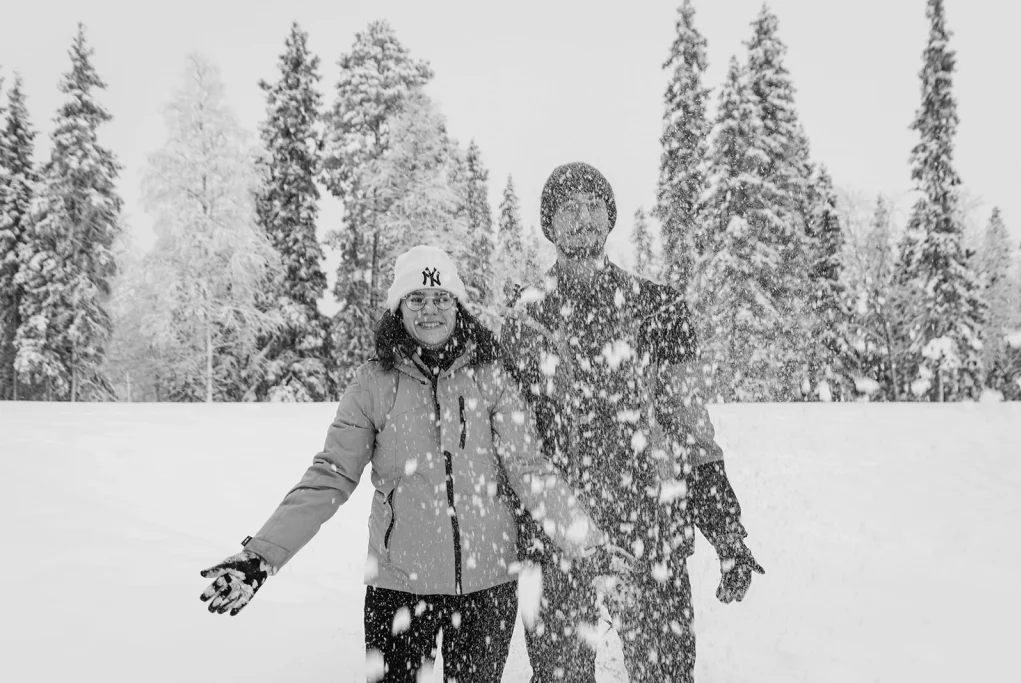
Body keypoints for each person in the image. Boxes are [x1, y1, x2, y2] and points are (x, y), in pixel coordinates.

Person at [200, 244, 606, 683]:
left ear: (458, 306)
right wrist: (261, 555)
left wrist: (586, 539)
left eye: (440, 298)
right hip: (399, 588)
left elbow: (529, 468)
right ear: (399, 307)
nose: (429, 310)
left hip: (487, 589)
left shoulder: (491, 377)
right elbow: (329, 476)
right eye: (417, 299)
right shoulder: (373, 383)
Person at [500, 162, 764, 683]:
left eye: (594, 207)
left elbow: (692, 431)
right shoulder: (525, 321)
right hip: (560, 538)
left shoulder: (658, 309)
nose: (582, 219)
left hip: (651, 528)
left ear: (611, 219)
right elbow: (512, 446)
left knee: (665, 676)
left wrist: (726, 530)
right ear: (549, 225)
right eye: (568, 209)